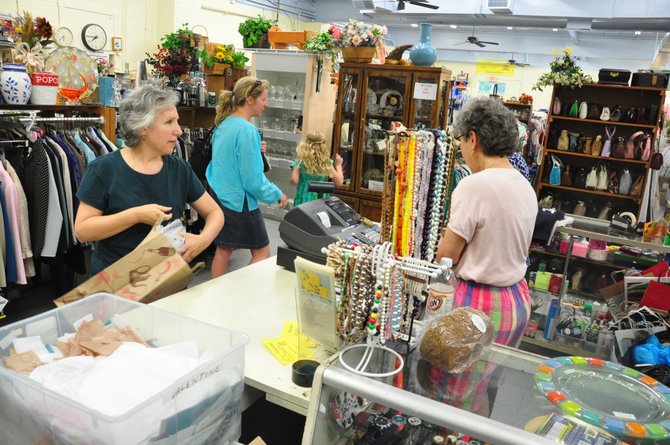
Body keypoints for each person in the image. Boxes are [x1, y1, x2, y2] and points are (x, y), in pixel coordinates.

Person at [431, 97, 538, 414]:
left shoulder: (474, 185)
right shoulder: (523, 184)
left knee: (452, 393)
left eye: (461, 141)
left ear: (473, 138)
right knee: (484, 386)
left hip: (478, 306)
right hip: (515, 301)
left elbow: (447, 256)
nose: (462, 149)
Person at [74, 86, 224, 274]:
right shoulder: (104, 169)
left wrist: (203, 240)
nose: (179, 131)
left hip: (165, 279)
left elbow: (215, 213)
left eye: (177, 121)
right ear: (143, 128)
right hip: (117, 283)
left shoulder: (179, 168)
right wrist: (135, 216)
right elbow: (83, 230)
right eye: (169, 122)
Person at [206, 77, 288, 278]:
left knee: (223, 250)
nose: (266, 104)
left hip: (219, 196)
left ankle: (216, 297)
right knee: (262, 252)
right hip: (239, 202)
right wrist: (275, 194)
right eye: (263, 99)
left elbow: (222, 161)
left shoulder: (223, 125)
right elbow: (252, 179)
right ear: (250, 100)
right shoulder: (247, 130)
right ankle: (236, 294)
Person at [290, 131, 344, 205]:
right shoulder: (326, 163)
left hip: (303, 199)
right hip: (320, 200)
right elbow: (339, 182)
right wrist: (338, 165)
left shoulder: (300, 161)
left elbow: (294, 181)